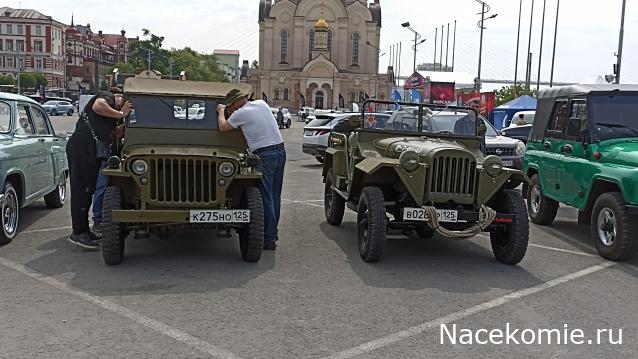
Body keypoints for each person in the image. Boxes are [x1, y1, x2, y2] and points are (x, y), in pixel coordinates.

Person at [217, 90, 285, 251]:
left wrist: (221, 111)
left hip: (264, 154)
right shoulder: (261, 104)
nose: (230, 110)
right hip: (280, 150)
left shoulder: (240, 114)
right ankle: (272, 235)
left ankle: (268, 239)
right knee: (275, 195)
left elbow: (222, 127)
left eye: (230, 106)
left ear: (235, 103)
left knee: (265, 197)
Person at [66, 91, 132, 250]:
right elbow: (98, 106)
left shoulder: (111, 117)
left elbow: (114, 134)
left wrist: (127, 124)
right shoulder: (107, 97)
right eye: (124, 101)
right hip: (83, 147)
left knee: (88, 189)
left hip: (88, 149)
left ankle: (84, 231)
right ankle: (79, 233)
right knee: (81, 190)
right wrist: (121, 113)